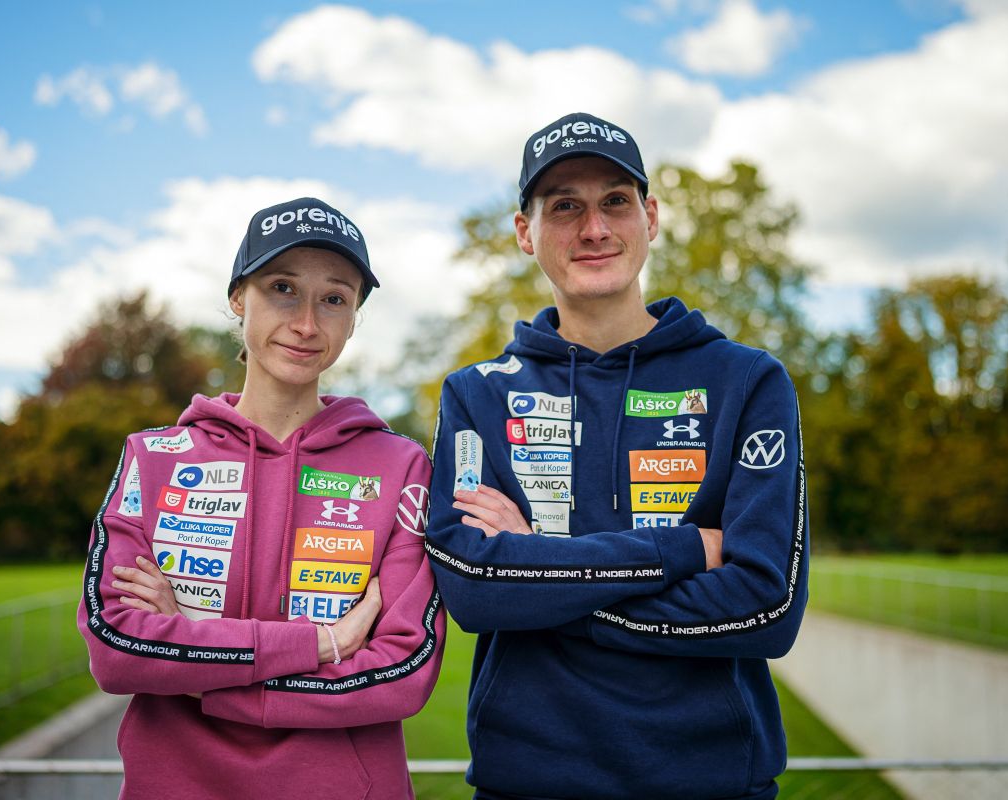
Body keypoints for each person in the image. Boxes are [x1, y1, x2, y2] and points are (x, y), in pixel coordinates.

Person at [424, 113, 808, 800]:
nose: (595, 228)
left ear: (649, 218)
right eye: (564, 206)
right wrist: (683, 550)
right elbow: (476, 592)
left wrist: (539, 580)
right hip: (527, 783)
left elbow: (766, 606)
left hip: (713, 782)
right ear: (525, 232)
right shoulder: (477, 394)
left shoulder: (747, 381)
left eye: (615, 201)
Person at [79, 197, 445, 800]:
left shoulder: (402, 466)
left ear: (355, 319)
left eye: (334, 299)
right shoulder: (155, 457)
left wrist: (198, 665)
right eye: (282, 289)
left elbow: (401, 672)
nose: (307, 324)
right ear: (237, 298)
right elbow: (118, 650)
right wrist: (322, 644)